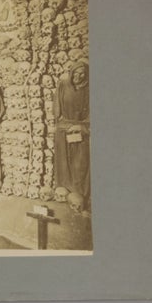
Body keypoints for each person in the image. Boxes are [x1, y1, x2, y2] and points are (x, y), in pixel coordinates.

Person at [53, 62, 90, 207]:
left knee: (79, 162)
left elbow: (93, 113)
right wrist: (59, 123)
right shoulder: (63, 85)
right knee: (63, 160)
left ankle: (77, 191)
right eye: (76, 72)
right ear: (71, 72)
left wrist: (80, 126)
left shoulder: (88, 90)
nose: (78, 76)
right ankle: (63, 188)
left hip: (80, 129)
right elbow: (57, 107)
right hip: (63, 129)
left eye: (82, 74)